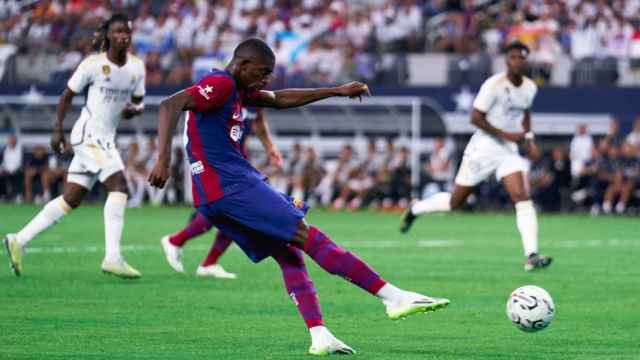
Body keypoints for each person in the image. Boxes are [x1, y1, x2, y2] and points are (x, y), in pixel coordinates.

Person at [148, 38, 449, 356]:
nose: (266, 80)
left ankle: (320, 336)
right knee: (307, 234)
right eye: (263, 72)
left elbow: (278, 99)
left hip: (214, 195)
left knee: (289, 253)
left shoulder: (236, 89)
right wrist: (162, 160)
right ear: (243, 64)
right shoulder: (220, 82)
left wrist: (335, 91)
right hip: (232, 184)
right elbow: (169, 104)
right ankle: (392, 297)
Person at [3, 14, 145, 278]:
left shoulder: (137, 67)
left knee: (72, 199)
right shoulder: (93, 64)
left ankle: (17, 240)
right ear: (108, 36)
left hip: (105, 137)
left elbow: (138, 102)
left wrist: (132, 112)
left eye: (127, 31)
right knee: (120, 187)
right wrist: (57, 129)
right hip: (88, 134)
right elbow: (67, 95)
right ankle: (113, 257)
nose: (123, 36)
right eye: (117, 32)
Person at [400, 41, 552, 272]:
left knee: (522, 197)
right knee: (455, 203)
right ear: (506, 60)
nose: (517, 61)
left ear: (526, 61)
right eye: (513, 57)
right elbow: (476, 118)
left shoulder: (530, 87)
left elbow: (525, 113)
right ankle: (416, 209)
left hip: (509, 152)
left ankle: (531, 255)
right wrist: (507, 135)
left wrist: (528, 139)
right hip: (483, 148)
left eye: (522, 57)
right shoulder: (493, 85)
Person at [160, 107, 284, 279]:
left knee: (235, 212)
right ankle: (180, 243)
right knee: (228, 209)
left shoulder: (254, 94)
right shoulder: (226, 90)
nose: (264, 80)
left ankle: (202, 258)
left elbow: (258, 121)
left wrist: (270, 147)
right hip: (218, 160)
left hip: (237, 160)